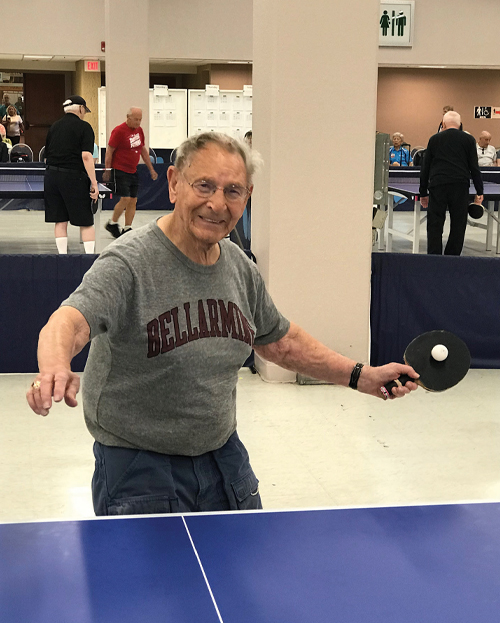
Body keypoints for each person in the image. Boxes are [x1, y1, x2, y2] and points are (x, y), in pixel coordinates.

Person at [26, 132, 419, 516]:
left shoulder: (239, 267)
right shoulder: (129, 262)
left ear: (247, 197)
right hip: (137, 464)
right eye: (204, 186)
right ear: (174, 184)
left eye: (233, 191)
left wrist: (361, 376)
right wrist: (56, 365)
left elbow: (280, 341)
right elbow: (70, 320)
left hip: (222, 457)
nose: (217, 203)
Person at [420, 111, 483, 256]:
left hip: (438, 185)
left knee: (435, 222)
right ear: (460, 125)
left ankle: (434, 256)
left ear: (443, 124)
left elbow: (425, 167)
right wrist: (480, 191)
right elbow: (474, 167)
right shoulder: (469, 140)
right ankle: (452, 257)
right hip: (460, 186)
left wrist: (423, 192)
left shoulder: (434, 139)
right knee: (458, 223)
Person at [43, 95, 98, 255]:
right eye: (84, 111)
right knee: (86, 221)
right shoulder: (84, 127)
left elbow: (47, 154)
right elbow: (86, 156)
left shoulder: (54, 127)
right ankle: (89, 258)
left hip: (51, 177)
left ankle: (62, 256)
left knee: (60, 220)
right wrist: (94, 183)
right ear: (81, 108)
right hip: (74, 178)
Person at [103, 107, 158, 238]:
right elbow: (109, 151)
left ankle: (127, 227)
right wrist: (107, 169)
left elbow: (143, 150)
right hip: (120, 169)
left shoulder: (139, 131)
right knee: (125, 198)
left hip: (133, 170)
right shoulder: (119, 131)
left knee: (133, 200)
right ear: (128, 118)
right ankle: (112, 223)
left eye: (140, 120)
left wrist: (151, 168)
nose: (138, 122)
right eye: (136, 119)